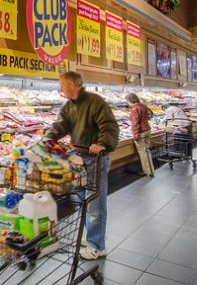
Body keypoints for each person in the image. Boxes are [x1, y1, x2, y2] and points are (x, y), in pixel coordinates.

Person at [44, 71, 119, 260]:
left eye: (61, 84)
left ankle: (97, 246)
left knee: (95, 203)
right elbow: (59, 127)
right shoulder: (70, 106)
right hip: (79, 159)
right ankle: (93, 236)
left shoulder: (95, 102)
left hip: (96, 159)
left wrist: (102, 144)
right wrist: (44, 141)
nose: (59, 88)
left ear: (71, 85)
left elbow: (109, 126)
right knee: (82, 200)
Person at [126, 93, 155, 177]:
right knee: (147, 150)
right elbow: (151, 114)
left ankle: (147, 171)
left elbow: (135, 124)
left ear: (130, 100)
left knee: (142, 152)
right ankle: (152, 170)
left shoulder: (135, 109)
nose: (128, 103)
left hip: (141, 132)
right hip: (147, 130)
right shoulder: (143, 106)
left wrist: (135, 135)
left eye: (127, 101)